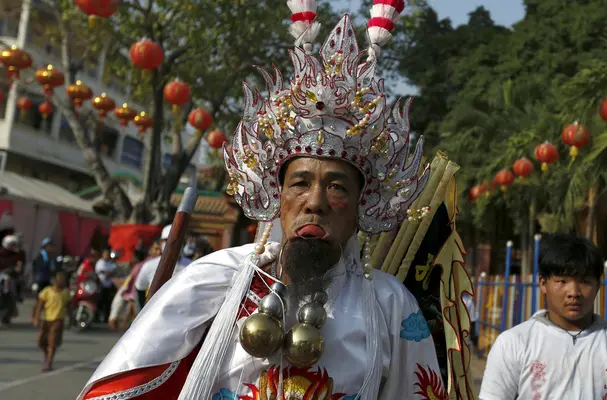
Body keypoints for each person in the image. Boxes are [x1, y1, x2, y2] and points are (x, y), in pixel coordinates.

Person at [78, 5, 456, 399]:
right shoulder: (218, 279)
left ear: (364, 206)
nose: (315, 202)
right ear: (276, 198)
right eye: (300, 183)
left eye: (338, 187)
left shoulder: (388, 304)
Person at [480, 233, 607, 399]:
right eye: (562, 281)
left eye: (585, 281)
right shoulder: (513, 343)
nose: (574, 292)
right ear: (543, 283)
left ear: (598, 285)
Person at [133, 224, 192, 307]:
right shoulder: (149, 266)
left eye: (177, 240)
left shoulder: (192, 265)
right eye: (167, 240)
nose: (173, 242)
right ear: (161, 243)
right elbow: (140, 291)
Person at [33, 271, 71, 372]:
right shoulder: (47, 291)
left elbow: (69, 306)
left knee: (52, 342)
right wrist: (36, 317)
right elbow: (39, 305)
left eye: (63, 279)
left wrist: (70, 319)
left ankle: (48, 363)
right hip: (46, 320)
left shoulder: (66, 292)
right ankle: (46, 354)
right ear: (55, 280)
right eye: (60, 279)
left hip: (58, 320)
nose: (62, 281)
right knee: (41, 342)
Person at [94, 249, 118, 324]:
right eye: (106, 254)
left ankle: (106, 318)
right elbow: (100, 271)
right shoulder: (99, 263)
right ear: (103, 255)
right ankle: (96, 317)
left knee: (108, 302)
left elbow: (114, 271)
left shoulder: (111, 263)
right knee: (100, 302)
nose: (107, 256)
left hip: (109, 286)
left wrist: (109, 273)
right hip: (101, 285)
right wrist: (107, 273)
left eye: (108, 254)